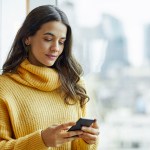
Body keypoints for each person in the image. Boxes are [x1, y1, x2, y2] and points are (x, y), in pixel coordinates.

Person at [0, 5, 99, 150]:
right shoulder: (4, 87)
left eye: (61, 42)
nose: (56, 48)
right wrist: (42, 140)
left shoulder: (74, 83)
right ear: (27, 38)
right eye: (48, 39)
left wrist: (89, 141)